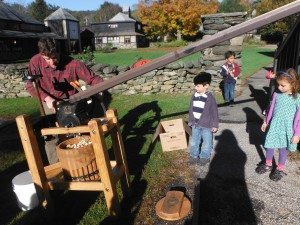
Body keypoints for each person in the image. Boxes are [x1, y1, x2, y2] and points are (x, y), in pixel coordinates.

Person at [25, 38, 103, 164]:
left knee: (78, 133)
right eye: (47, 59)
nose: (52, 62)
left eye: (54, 57)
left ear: (59, 52)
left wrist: (100, 89)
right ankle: (58, 170)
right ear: (41, 55)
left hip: (71, 104)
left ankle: (84, 163)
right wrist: (47, 99)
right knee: (50, 137)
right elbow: (30, 85)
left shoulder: (73, 64)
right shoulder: (35, 61)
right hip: (48, 103)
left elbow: (94, 79)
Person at [255, 68, 300, 181]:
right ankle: (268, 164)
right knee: (269, 145)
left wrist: (297, 133)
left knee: (282, 149)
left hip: (287, 128)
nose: (279, 87)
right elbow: (270, 109)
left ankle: (280, 168)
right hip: (275, 125)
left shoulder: (297, 98)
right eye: (278, 84)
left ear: (293, 84)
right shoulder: (276, 95)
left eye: (282, 85)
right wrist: (266, 121)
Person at [188, 72, 219, 166]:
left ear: (206, 86)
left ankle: (204, 157)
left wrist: (215, 125)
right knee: (194, 141)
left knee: (207, 142)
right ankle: (193, 156)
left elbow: (214, 112)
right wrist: (191, 121)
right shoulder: (194, 96)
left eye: (197, 86)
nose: (195, 88)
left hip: (207, 125)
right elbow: (191, 109)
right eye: (195, 86)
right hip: (195, 125)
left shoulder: (210, 97)